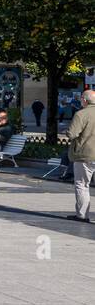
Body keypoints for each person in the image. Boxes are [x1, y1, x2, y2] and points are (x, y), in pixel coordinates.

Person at [68, 90, 95, 222]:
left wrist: (67, 132)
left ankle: (83, 215)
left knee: (82, 184)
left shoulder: (81, 114)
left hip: (85, 155)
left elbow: (72, 134)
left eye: (81, 100)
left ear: (84, 100)